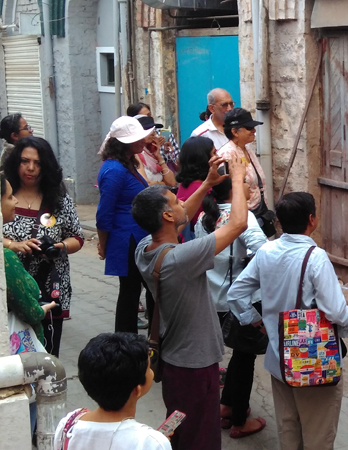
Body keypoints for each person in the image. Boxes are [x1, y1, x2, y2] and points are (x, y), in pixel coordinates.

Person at [132, 152, 247, 450]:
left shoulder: (147, 247)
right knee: (202, 437)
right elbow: (237, 225)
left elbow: (180, 219)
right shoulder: (182, 258)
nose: (182, 203)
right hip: (195, 367)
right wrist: (236, 178)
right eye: (175, 203)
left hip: (174, 363)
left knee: (178, 421)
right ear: (167, 216)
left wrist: (208, 181)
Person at [227, 192, 348, 450]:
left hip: (279, 357)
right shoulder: (316, 257)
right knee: (318, 434)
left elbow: (236, 293)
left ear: (279, 222)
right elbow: (334, 310)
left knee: (289, 428)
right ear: (312, 219)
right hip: (314, 361)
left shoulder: (266, 251)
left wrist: (256, 320)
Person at [195, 177, 267, 438]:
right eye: (246, 183)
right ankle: (239, 420)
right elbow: (264, 251)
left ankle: (226, 406)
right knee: (244, 358)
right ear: (235, 191)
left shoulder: (206, 216)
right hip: (240, 298)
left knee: (237, 357)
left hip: (213, 297)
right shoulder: (242, 217)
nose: (251, 187)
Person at [2, 136, 84, 356]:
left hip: (51, 283)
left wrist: (59, 247)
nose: (30, 168)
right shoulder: (5, 196)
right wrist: (14, 245)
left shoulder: (58, 198)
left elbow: (77, 237)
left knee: (48, 352)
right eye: (24, 161)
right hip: (13, 290)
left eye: (37, 163)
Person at [54, 332, 172, 450]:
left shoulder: (68, 424)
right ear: (137, 389)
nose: (152, 372)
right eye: (149, 368)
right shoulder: (151, 442)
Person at [96, 116, 156, 334]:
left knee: (141, 290)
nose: (143, 141)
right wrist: (103, 244)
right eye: (136, 139)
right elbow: (104, 213)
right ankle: (126, 341)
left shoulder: (128, 163)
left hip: (137, 235)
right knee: (131, 292)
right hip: (127, 239)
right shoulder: (114, 170)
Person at [2, 172, 57, 345]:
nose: (15, 201)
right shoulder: (6, 258)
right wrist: (42, 310)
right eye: (10, 197)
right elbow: (30, 311)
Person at [217, 108, 268, 212]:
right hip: (244, 214)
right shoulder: (227, 155)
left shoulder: (247, 148)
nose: (254, 130)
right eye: (249, 128)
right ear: (235, 132)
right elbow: (228, 191)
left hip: (259, 209)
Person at [175, 136, 214, 242]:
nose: (218, 156)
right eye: (214, 153)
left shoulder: (186, 184)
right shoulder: (201, 190)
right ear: (204, 159)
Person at [127, 102, 180, 172]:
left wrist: (169, 153)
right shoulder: (133, 142)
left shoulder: (166, 135)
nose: (151, 117)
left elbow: (178, 168)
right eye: (146, 116)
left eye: (150, 114)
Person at [134, 115, 177, 187]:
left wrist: (158, 156)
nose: (153, 133)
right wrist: (163, 183)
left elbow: (172, 182)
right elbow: (146, 184)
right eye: (148, 130)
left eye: (153, 130)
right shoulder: (136, 154)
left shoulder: (152, 153)